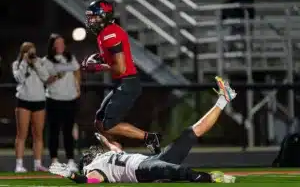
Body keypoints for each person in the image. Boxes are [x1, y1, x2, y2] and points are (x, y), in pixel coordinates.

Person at [49, 76, 237, 184]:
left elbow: (112, 146)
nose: (93, 151)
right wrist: (73, 176)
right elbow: (90, 182)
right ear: (87, 161)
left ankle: (224, 99)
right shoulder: (93, 169)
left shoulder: (108, 155)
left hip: (151, 160)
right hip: (141, 170)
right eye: (90, 154)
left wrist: (103, 140)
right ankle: (210, 178)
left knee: (189, 133)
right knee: (174, 171)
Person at [81, 0, 161, 154]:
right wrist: (98, 58)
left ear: (104, 16)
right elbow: (113, 59)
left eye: (94, 17)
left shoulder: (110, 34)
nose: (91, 20)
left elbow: (120, 67)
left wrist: (96, 67)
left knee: (109, 124)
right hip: (122, 82)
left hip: (127, 83)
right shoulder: (106, 32)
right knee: (99, 121)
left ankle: (149, 138)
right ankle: (115, 151)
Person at [12, 42, 53, 172]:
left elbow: (46, 77)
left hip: (39, 100)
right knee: (22, 134)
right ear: (23, 52)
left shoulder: (40, 62)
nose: (31, 53)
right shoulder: (17, 64)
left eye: (33, 51)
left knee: (38, 134)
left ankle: (38, 164)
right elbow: (19, 79)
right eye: (28, 51)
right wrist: (24, 63)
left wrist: (35, 63)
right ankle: (19, 165)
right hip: (23, 100)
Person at [43, 33, 81, 171]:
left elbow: (77, 70)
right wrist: (55, 76)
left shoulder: (70, 58)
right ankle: (54, 161)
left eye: (62, 43)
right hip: (54, 99)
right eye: (58, 43)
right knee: (53, 131)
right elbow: (45, 79)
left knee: (68, 131)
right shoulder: (46, 61)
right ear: (52, 45)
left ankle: (71, 160)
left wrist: (78, 87)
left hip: (70, 99)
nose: (61, 46)